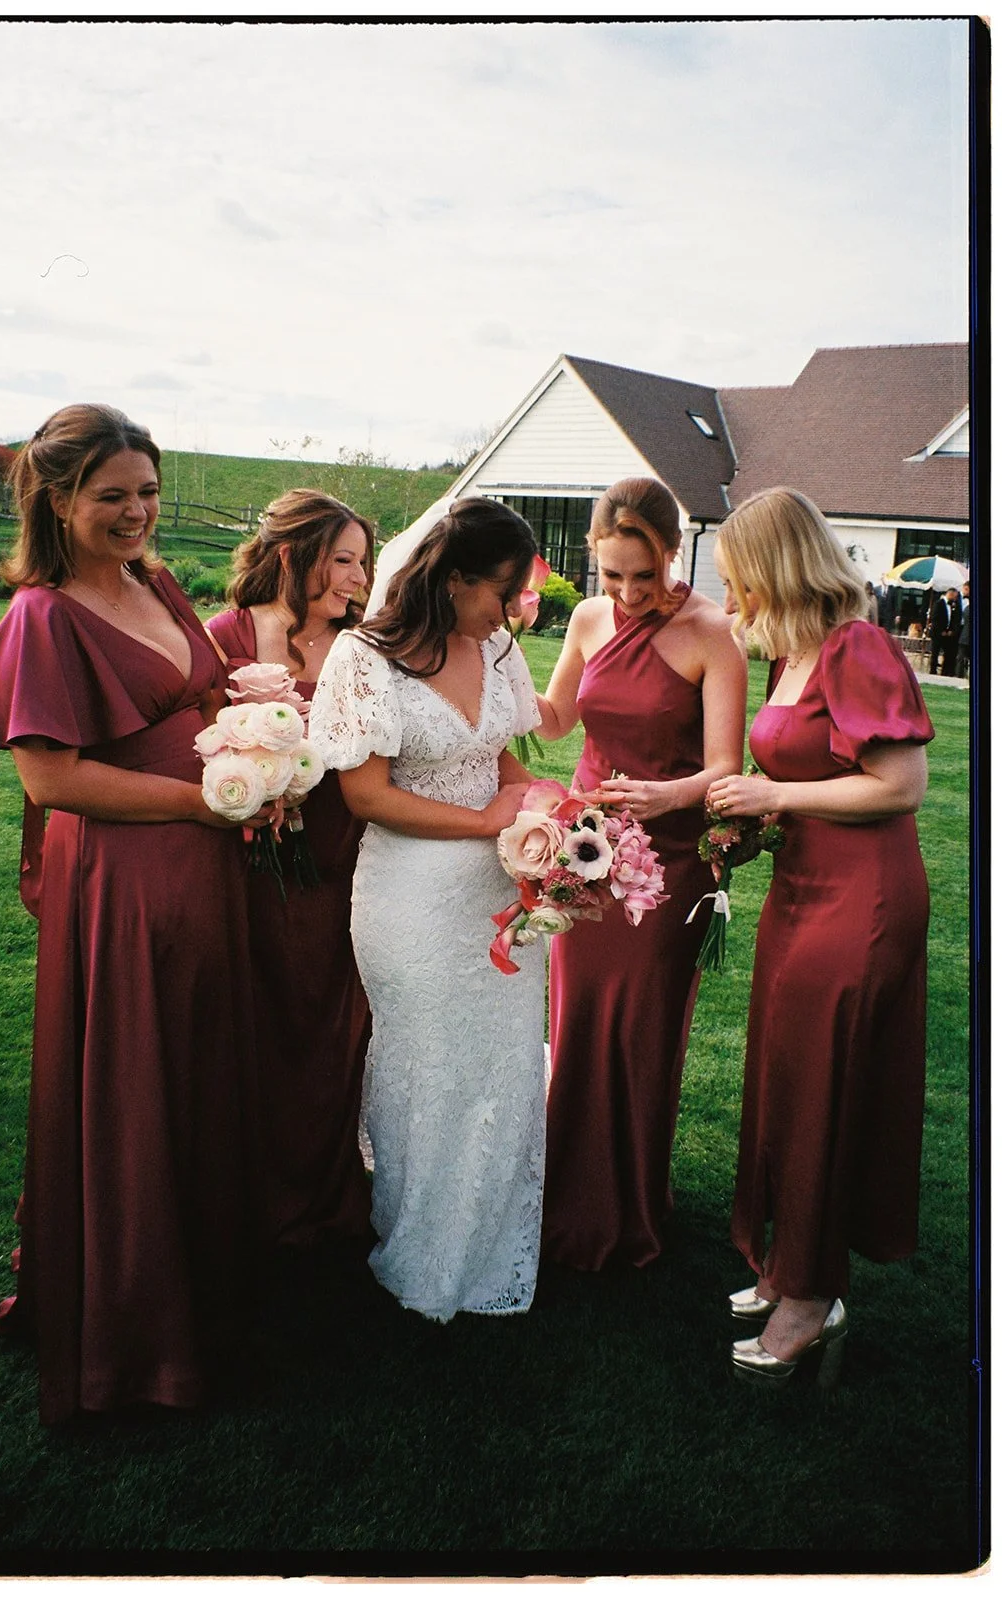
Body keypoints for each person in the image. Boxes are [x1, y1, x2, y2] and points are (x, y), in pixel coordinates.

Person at [0, 404, 278, 1424]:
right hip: (124, 879)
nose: (137, 512)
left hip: (205, 873)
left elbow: (206, 700)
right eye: (112, 497)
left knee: (190, 1073)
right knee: (132, 1084)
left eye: (146, 490)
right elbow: (51, 778)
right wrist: (205, 799)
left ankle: (199, 1293)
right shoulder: (41, 616)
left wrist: (261, 746)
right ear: (56, 500)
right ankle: (134, 1332)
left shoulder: (157, 580)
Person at [708, 486, 933, 1387]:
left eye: (738, 581)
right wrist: (751, 827)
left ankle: (812, 1298)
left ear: (775, 570)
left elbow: (900, 784)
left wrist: (776, 797)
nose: (731, 601)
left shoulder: (858, 645)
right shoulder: (791, 654)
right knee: (789, 1077)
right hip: (802, 887)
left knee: (828, 1084)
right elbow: (805, 769)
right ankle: (787, 1264)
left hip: (863, 899)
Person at [308, 497, 546, 1321]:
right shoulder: (364, 659)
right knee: (429, 1064)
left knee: (504, 1060)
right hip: (410, 897)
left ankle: (487, 1240)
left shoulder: (499, 648)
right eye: (501, 591)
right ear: (453, 580)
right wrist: (486, 820)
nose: (511, 610)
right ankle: (415, 1240)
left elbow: (498, 750)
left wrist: (546, 809)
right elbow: (367, 795)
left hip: (502, 894)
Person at [534, 476, 747, 1270]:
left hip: (670, 859)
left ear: (673, 551)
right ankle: (560, 1192)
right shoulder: (589, 619)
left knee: (641, 1029)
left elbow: (726, 767)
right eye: (611, 574)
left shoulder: (710, 632)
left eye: (644, 575)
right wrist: (485, 665)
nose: (627, 593)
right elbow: (556, 720)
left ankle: (629, 1203)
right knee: (580, 1016)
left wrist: (668, 794)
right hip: (586, 851)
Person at [207, 491, 376, 1254]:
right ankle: (250, 1190)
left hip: (344, 858)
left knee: (333, 1017)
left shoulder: (363, 647)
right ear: (290, 556)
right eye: (342, 560)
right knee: (256, 1016)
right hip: (247, 864)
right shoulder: (224, 637)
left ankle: (326, 1186)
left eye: (363, 562)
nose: (357, 577)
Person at [929, 585, 961, 676]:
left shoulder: (953, 606)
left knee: (948, 653)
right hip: (937, 633)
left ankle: (945, 671)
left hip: (948, 634)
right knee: (935, 653)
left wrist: (952, 630)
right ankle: (933, 671)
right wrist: (940, 631)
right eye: (954, 597)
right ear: (950, 594)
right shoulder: (938, 604)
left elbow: (954, 619)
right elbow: (935, 619)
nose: (955, 599)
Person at [956, 582, 971, 678]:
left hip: (966, 634)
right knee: (960, 658)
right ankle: (959, 675)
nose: (963, 591)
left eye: (965, 589)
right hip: (963, 634)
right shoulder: (959, 600)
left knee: (961, 658)